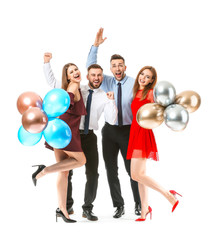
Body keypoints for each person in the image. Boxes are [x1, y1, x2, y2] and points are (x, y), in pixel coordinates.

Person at [43, 53, 118, 221]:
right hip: (71, 135)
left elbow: (112, 119)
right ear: (88, 76)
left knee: (92, 173)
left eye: (99, 75)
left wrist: (112, 102)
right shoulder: (77, 88)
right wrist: (47, 63)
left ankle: (87, 208)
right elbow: (54, 83)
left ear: (102, 77)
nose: (96, 78)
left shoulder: (104, 96)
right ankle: (66, 205)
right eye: (93, 75)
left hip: (89, 136)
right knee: (65, 171)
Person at [86, 28, 141, 218]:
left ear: (125, 67)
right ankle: (119, 205)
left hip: (128, 131)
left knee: (132, 171)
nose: (117, 68)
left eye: (120, 65)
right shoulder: (106, 81)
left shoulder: (134, 83)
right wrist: (95, 46)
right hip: (109, 132)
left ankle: (139, 204)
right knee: (111, 171)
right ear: (110, 69)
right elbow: (91, 68)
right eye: (114, 66)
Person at [32, 62, 87, 223]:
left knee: (64, 172)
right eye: (72, 71)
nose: (76, 72)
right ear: (68, 77)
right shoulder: (74, 85)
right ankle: (44, 170)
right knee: (81, 160)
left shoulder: (70, 86)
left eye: (76, 69)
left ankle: (62, 210)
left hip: (57, 130)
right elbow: (68, 99)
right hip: (66, 133)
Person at [127, 66, 182, 221]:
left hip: (142, 134)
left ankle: (168, 195)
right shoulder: (136, 92)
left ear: (152, 80)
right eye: (142, 74)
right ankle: (145, 209)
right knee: (139, 175)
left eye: (148, 76)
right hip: (134, 132)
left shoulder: (150, 93)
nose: (143, 77)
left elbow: (161, 110)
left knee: (136, 174)